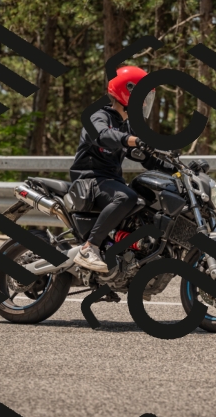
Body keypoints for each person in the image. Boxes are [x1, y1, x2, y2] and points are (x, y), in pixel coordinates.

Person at [70, 66, 176, 273]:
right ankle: (89, 247)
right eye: (142, 97)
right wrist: (132, 140)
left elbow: (147, 159)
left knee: (145, 202)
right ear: (127, 92)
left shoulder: (126, 126)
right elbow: (103, 136)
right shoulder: (98, 117)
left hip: (110, 181)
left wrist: (179, 169)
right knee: (126, 197)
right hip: (90, 180)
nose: (144, 103)